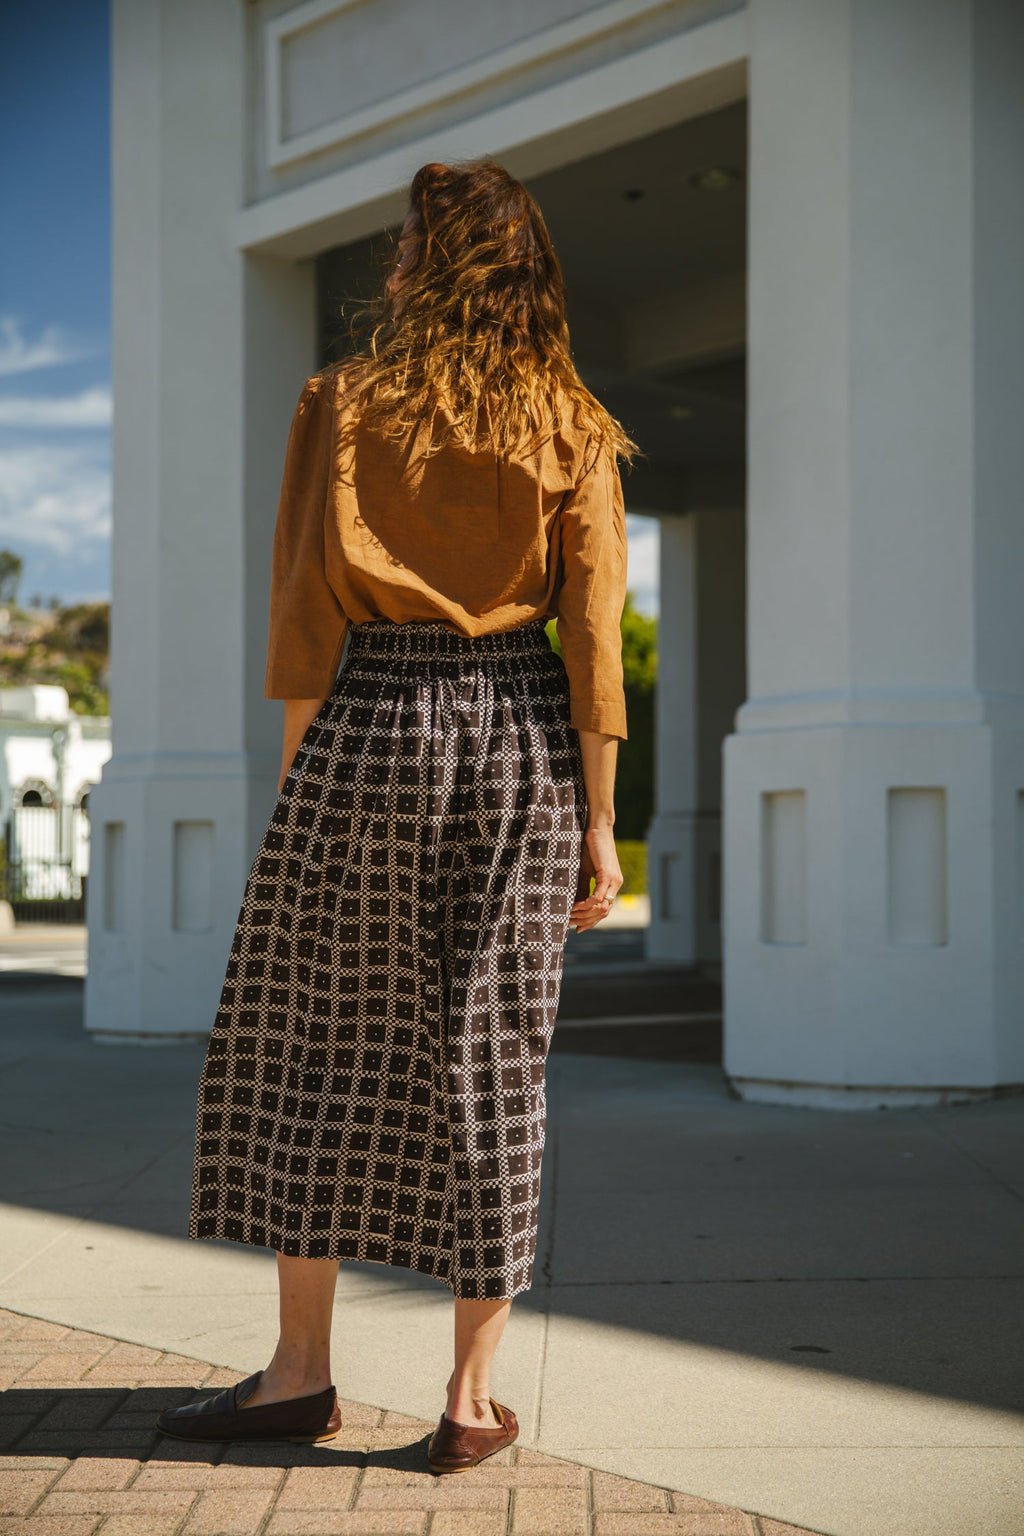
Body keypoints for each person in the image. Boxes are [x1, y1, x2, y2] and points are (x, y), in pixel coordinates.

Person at [157, 159, 637, 1471]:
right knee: (493, 1065)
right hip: (520, 742)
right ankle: (469, 1403)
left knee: (318, 1049)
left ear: (423, 266)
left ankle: (298, 1376)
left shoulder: (345, 401)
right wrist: (600, 822)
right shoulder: (574, 425)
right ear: (530, 270)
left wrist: (294, 788)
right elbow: (594, 643)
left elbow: (306, 610)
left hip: (368, 731)